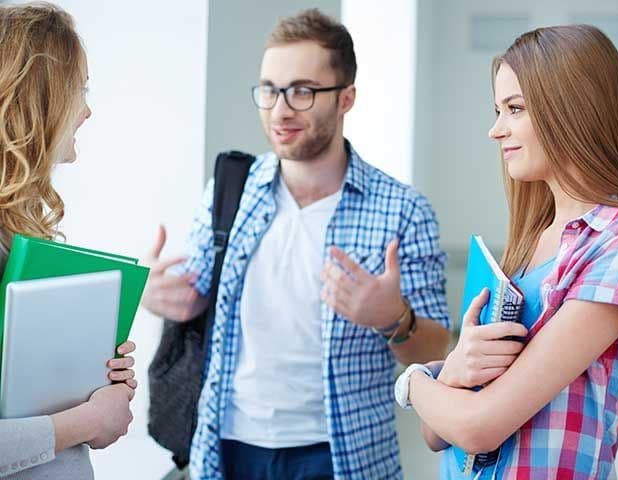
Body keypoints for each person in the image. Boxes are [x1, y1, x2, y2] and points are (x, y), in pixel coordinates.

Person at [142, 8, 450, 480]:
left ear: (346, 98)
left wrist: (394, 318)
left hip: (341, 456)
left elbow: (434, 350)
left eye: (302, 91)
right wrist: (151, 290)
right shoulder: (231, 189)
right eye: (269, 90)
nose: (280, 110)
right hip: (228, 448)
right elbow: (193, 293)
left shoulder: (403, 210)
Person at [397, 24, 618, 479]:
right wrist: (452, 371)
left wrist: (413, 381)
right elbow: (437, 436)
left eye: (514, 109)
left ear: (573, 109)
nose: (496, 131)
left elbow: (478, 427)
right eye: (498, 110)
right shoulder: (528, 245)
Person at [0, 3, 137, 478]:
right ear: (39, 98)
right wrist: (87, 419)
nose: (87, 110)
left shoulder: (16, 230)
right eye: (78, 90)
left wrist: (93, 383)